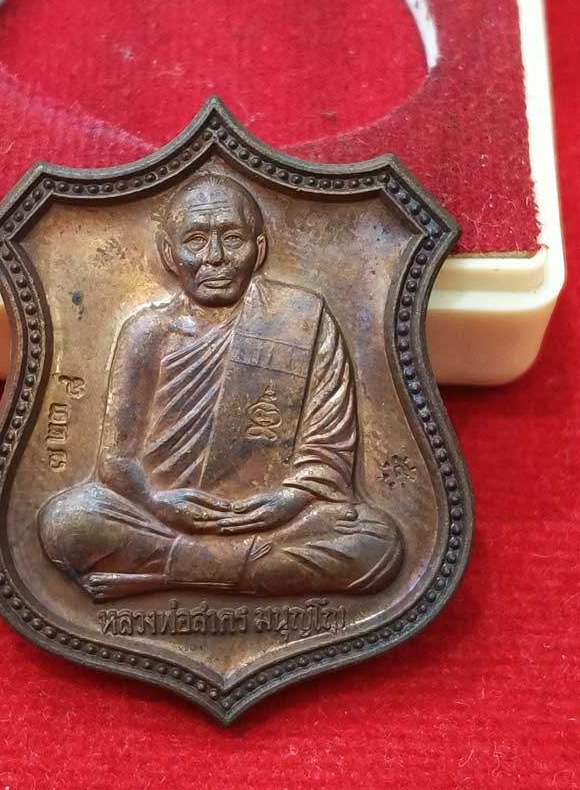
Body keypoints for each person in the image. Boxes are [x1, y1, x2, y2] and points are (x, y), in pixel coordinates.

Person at [39, 173, 403, 601]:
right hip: (164, 518)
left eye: (232, 239)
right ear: (169, 254)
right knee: (68, 521)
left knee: (378, 541)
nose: (214, 257)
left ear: (258, 249)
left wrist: (290, 500)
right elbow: (116, 461)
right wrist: (157, 502)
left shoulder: (302, 318)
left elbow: (328, 449)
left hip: (276, 520)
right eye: (195, 240)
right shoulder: (147, 332)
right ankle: (235, 569)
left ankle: (173, 572)